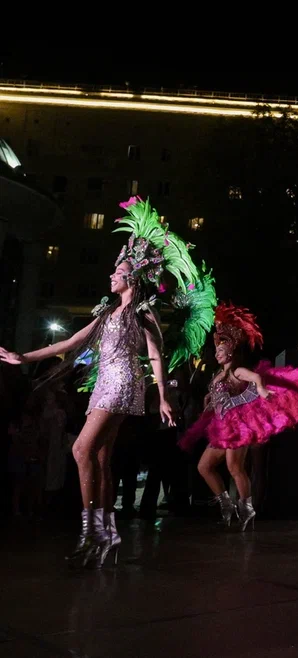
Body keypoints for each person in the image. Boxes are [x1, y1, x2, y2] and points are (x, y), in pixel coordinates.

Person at [0, 196, 215, 568]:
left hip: (123, 383)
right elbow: (71, 342)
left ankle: (90, 534)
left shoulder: (143, 312)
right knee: (100, 457)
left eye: (117, 271)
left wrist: (163, 397)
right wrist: (25, 357)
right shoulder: (107, 312)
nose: (111, 276)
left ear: (131, 278)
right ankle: (108, 536)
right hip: (105, 384)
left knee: (80, 450)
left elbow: (156, 355)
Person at [180, 303, 298, 530]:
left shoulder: (237, 371)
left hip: (236, 427)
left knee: (234, 467)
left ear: (231, 352)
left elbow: (256, 378)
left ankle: (246, 509)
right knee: (204, 466)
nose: (216, 353)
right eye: (216, 351)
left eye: (220, 351)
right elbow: (217, 396)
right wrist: (208, 403)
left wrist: (262, 390)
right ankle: (226, 505)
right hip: (220, 427)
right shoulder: (217, 374)